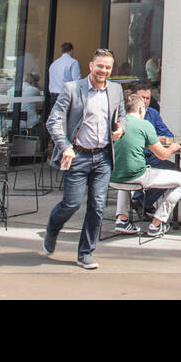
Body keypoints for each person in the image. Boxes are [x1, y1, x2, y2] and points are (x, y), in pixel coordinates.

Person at [42, 47, 125, 270]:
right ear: (91, 66)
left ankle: (86, 253)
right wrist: (66, 147)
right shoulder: (71, 89)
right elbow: (53, 121)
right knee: (71, 203)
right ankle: (53, 227)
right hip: (77, 155)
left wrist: (120, 130)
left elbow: (122, 117)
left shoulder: (116, 90)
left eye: (107, 67)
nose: (103, 71)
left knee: (97, 206)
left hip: (103, 156)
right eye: (100, 66)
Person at [110, 93, 181, 236]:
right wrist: (173, 147)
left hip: (113, 177)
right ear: (141, 110)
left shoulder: (116, 124)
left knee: (125, 176)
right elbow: (162, 155)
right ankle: (157, 224)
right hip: (137, 176)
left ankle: (122, 219)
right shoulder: (144, 125)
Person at [116, 80, 176, 227]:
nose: (146, 102)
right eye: (142, 98)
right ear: (134, 98)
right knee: (176, 176)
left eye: (148, 98)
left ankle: (142, 202)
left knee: (172, 168)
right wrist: (155, 141)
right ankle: (152, 218)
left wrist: (160, 139)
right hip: (135, 162)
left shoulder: (153, 114)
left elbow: (168, 134)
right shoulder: (125, 117)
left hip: (150, 158)